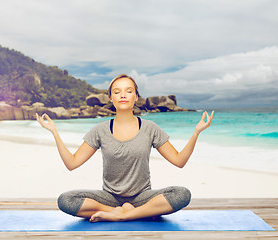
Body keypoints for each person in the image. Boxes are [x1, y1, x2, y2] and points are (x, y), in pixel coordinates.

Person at [36, 74, 214, 222]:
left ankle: (123, 215)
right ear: (111, 98)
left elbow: (179, 161)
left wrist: (196, 132)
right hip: (109, 198)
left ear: (136, 97)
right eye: (117, 92)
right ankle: (126, 212)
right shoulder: (100, 130)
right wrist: (54, 133)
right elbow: (72, 163)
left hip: (142, 197)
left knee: (182, 194)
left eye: (129, 91)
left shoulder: (150, 128)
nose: (123, 95)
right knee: (65, 200)